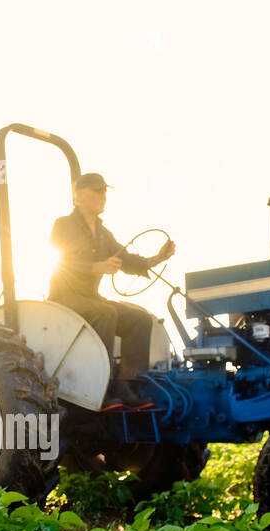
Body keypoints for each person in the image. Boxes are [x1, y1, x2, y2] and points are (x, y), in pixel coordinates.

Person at [48, 171, 175, 408]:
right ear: (78, 195)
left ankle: (127, 385)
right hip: (64, 298)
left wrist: (157, 258)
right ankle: (101, 385)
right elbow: (61, 261)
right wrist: (96, 266)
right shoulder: (63, 225)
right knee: (105, 312)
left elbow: (126, 260)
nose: (103, 196)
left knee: (140, 319)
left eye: (105, 191)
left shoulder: (104, 234)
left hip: (91, 299)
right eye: (97, 191)